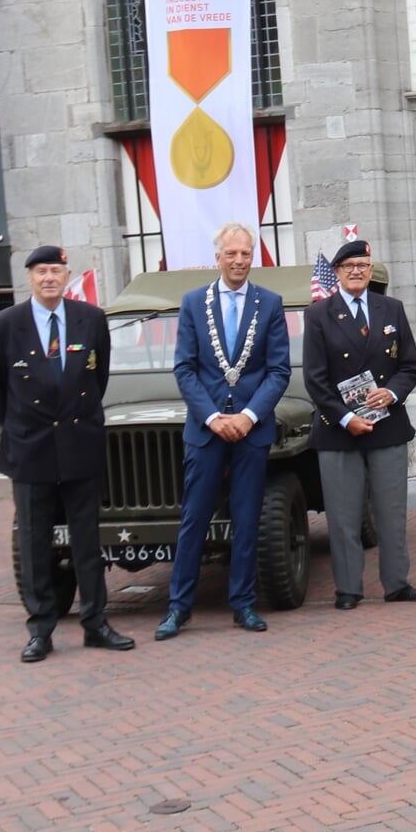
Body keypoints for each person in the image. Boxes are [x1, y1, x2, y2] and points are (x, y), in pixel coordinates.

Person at [0, 245, 134, 662]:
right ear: (29, 278)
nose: (49, 278)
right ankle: (41, 629)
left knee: (88, 540)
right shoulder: (3, 326)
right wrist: (21, 428)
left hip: (79, 442)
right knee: (34, 543)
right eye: (41, 271)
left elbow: (96, 378)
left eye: (56, 271)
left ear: (67, 276)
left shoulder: (91, 319)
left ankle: (96, 622)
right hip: (30, 448)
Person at [156, 223, 293, 639]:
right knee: (194, 518)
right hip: (206, 430)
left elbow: (278, 370)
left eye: (245, 254)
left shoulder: (269, 303)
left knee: (248, 518)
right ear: (217, 256)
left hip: (251, 430)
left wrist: (249, 416)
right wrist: (213, 417)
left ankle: (243, 603)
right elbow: (185, 367)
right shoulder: (193, 303)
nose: (238, 261)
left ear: (254, 256)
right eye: (231, 254)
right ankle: (179, 607)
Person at [302, 239, 416, 611]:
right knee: (343, 515)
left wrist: (391, 393)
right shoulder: (319, 315)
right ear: (337, 273)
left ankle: (397, 583)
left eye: (362, 265)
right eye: (348, 266)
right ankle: (348, 589)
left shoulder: (391, 308)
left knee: (392, 512)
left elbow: (410, 366)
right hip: (338, 430)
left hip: (387, 426)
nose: (356, 271)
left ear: (371, 271)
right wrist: (346, 417)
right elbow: (315, 378)